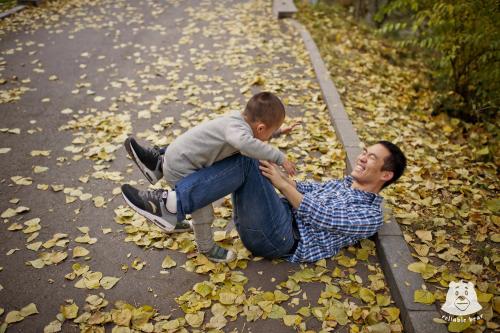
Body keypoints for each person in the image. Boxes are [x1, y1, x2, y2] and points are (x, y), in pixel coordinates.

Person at [122, 140, 406, 263]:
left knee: (246, 160)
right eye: (365, 151)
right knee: (245, 148)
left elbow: (323, 217)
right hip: (275, 218)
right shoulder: (344, 183)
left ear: (386, 174)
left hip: (281, 239)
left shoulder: (370, 215)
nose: (362, 157)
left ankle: (172, 206)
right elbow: (304, 188)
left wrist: (282, 183)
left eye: (371, 158)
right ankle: (163, 161)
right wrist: (277, 170)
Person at [123, 92, 297, 263]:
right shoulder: (239, 133)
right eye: (271, 131)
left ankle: (156, 165)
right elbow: (246, 143)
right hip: (182, 168)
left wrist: (277, 132)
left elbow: (256, 134)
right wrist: (280, 158)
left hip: (173, 156)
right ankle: (206, 247)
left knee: (193, 188)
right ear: (260, 128)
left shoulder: (236, 120)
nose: (269, 135)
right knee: (202, 208)